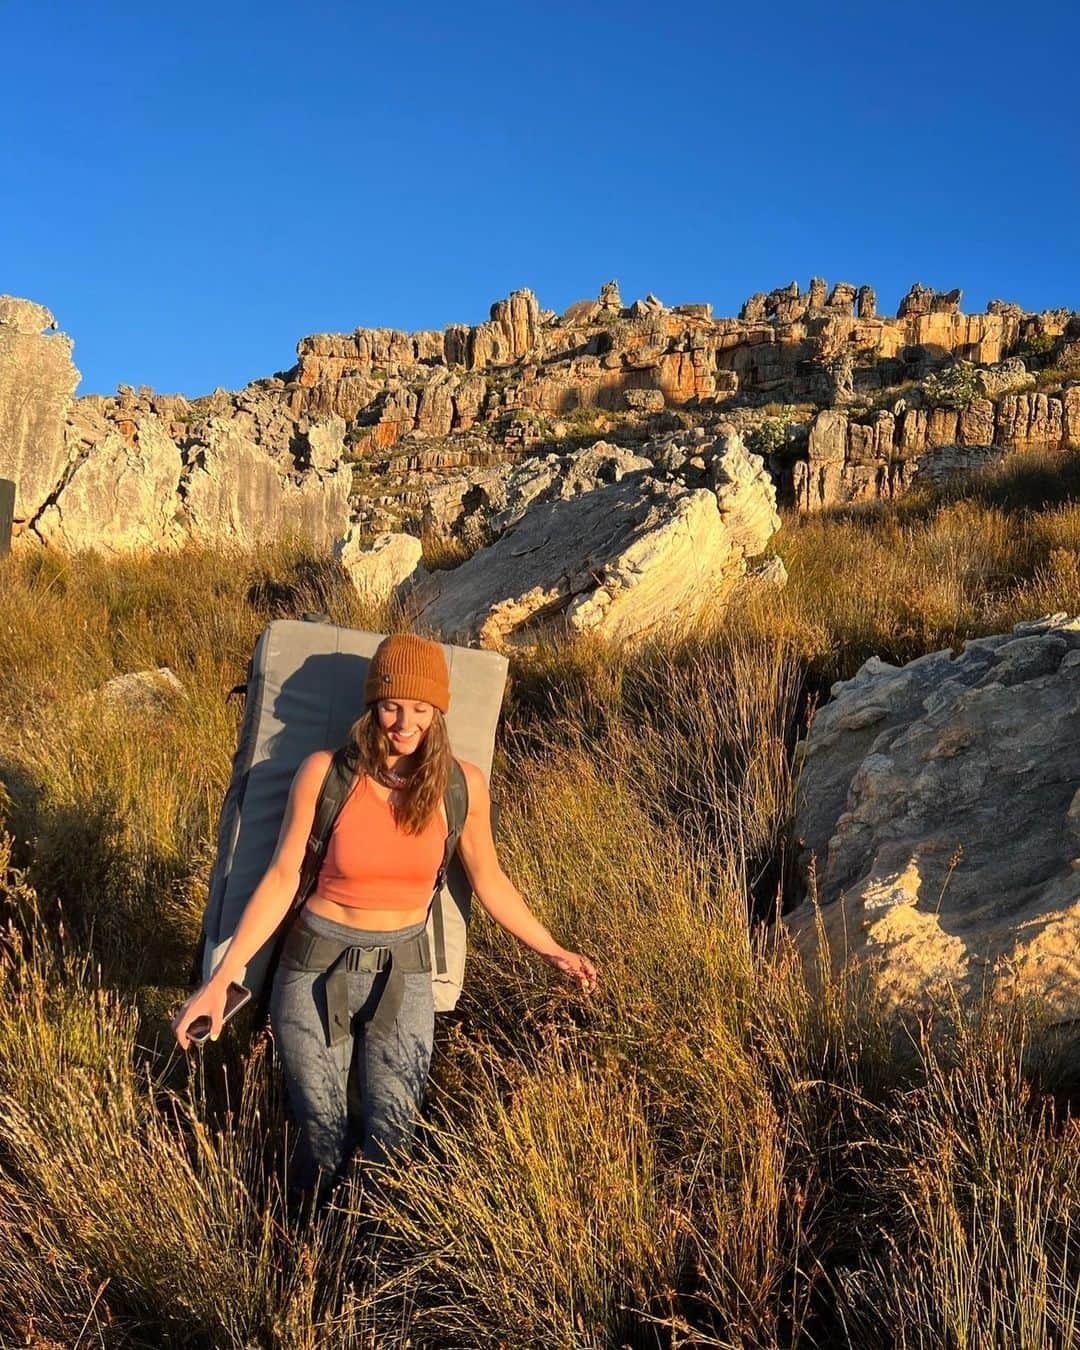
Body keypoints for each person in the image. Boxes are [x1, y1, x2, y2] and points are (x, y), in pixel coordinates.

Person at [172, 633, 598, 1203]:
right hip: (315, 966)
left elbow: (490, 880)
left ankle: (369, 1247)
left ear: (437, 713)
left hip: (406, 970)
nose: (405, 722)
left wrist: (551, 948)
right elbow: (279, 880)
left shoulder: (461, 786)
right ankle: (308, 1245)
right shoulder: (326, 775)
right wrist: (220, 979)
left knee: (394, 1132)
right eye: (393, 706)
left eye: (421, 709)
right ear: (373, 706)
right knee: (321, 1131)